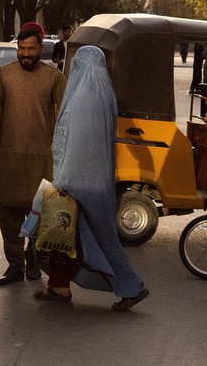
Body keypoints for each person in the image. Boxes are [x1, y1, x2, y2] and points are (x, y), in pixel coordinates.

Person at [32, 46, 149, 311]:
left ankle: (131, 286)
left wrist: (63, 181)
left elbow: (78, 144)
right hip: (95, 181)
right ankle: (59, 287)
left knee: (92, 239)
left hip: (78, 182)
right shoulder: (104, 92)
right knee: (69, 240)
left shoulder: (85, 95)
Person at [0, 23, 67, 285]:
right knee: (8, 214)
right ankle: (14, 266)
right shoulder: (5, 75)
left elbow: (64, 116)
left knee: (39, 216)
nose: (26, 54)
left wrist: (62, 152)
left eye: (31, 49)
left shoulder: (53, 77)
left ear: (41, 49)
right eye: (22, 49)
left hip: (42, 158)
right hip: (9, 157)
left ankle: (34, 262)